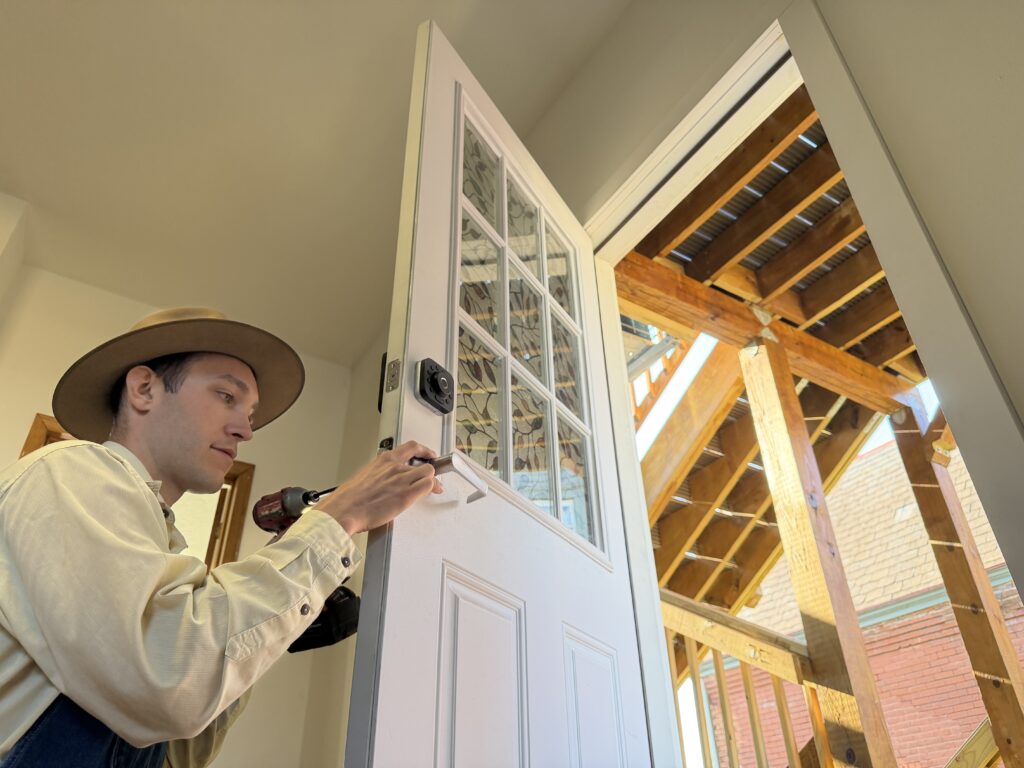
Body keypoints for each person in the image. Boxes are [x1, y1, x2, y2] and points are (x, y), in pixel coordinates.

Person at [0, 307, 439, 767]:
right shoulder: (71, 471)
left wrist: (273, 619)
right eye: (227, 396)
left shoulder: (163, 552)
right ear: (144, 388)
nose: (246, 429)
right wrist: (338, 518)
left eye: (248, 413)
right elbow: (164, 683)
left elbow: (175, 751)